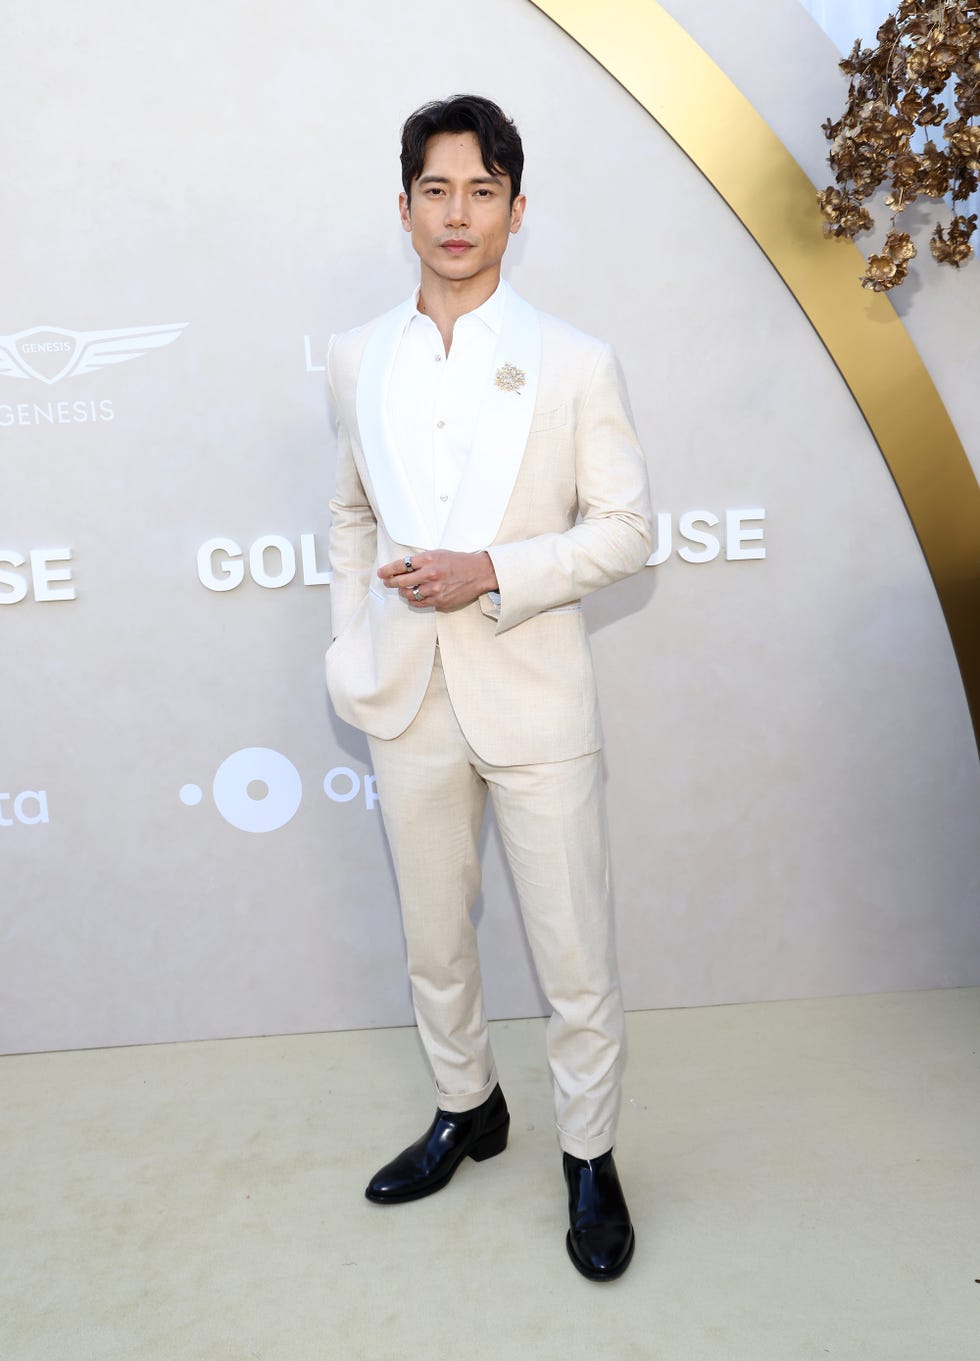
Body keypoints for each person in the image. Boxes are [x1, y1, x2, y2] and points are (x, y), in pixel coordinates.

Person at [325, 94, 652, 1281]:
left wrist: (492, 572)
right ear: (402, 205)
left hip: (535, 697)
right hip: (406, 695)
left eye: (480, 190)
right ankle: (469, 1107)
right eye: (434, 189)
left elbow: (625, 532)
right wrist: (349, 640)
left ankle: (588, 1154)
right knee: (434, 939)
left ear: (517, 208)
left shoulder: (573, 361)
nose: (455, 213)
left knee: (572, 951)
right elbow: (351, 512)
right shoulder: (354, 356)